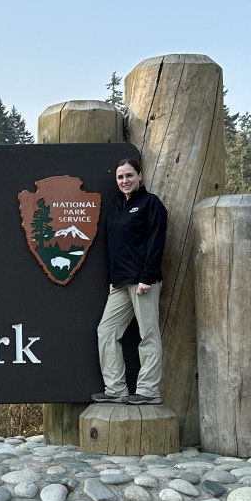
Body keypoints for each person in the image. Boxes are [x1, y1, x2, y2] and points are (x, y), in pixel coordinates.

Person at [92, 158, 168, 405]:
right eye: (120, 177)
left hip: (143, 282)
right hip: (120, 283)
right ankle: (116, 389)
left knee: (148, 335)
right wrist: (112, 278)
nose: (125, 181)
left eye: (129, 175)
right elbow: (113, 246)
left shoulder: (151, 204)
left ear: (140, 176)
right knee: (106, 331)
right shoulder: (116, 207)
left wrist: (147, 276)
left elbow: (156, 243)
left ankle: (148, 391)